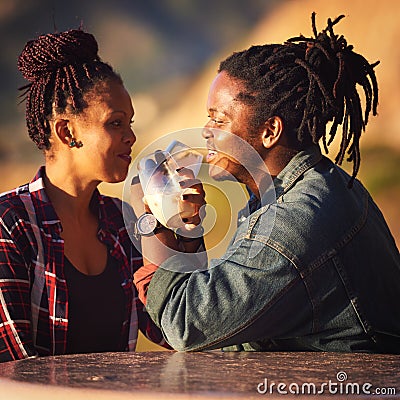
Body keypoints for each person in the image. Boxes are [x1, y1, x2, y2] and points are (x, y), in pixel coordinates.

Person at [133, 13, 400, 353]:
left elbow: (186, 325)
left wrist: (154, 213)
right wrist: (184, 226)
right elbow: (222, 319)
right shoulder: (297, 193)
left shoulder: (295, 223)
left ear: (270, 131)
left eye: (219, 119)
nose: (206, 131)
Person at [0, 28, 170, 362]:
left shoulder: (125, 221)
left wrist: (178, 226)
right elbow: (14, 367)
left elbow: (177, 329)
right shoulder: (10, 224)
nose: (131, 136)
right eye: (116, 123)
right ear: (67, 132)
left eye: (130, 123)